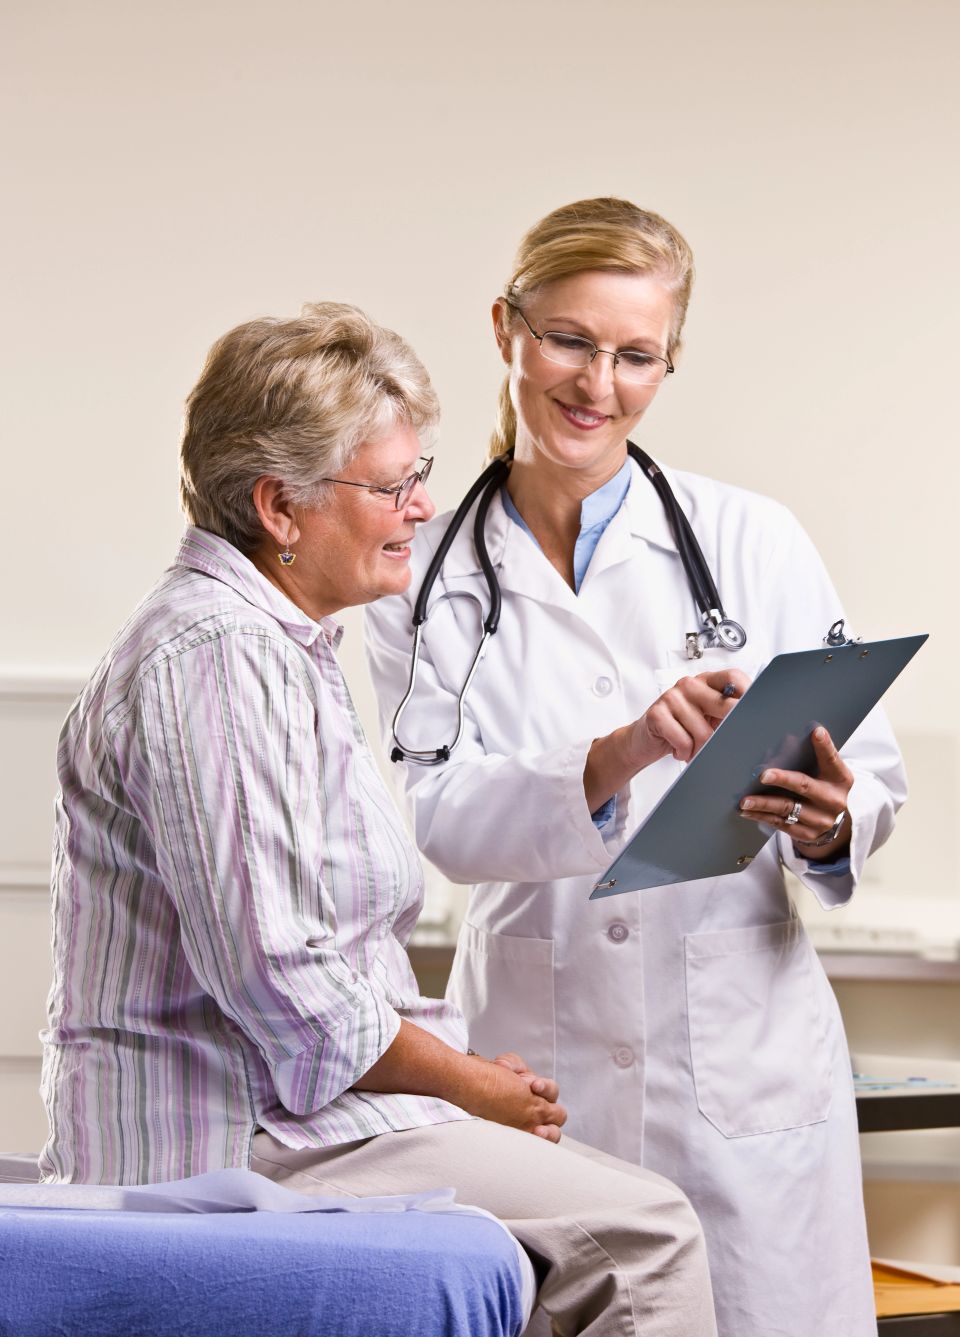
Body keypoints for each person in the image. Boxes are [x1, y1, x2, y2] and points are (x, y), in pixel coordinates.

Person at [39, 300, 717, 1337]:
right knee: (646, 1229)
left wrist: (469, 1076)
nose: (422, 505)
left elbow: (336, 960)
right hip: (233, 1133)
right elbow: (282, 982)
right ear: (280, 508)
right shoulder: (217, 655)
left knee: (550, 1260)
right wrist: (472, 1085)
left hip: (304, 1114)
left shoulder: (284, 646)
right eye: (394, 483)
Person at [365, 199, 907, 1337]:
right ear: (506, 327)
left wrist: (830, 819)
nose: (596, 383)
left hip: (742, 1069)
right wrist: (621, 751)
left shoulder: (754, 538)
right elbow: (442, 813)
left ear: (667, 363)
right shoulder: (423, 578)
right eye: (569, 339)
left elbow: (871, 772)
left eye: (635, 355)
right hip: (544, 1059)